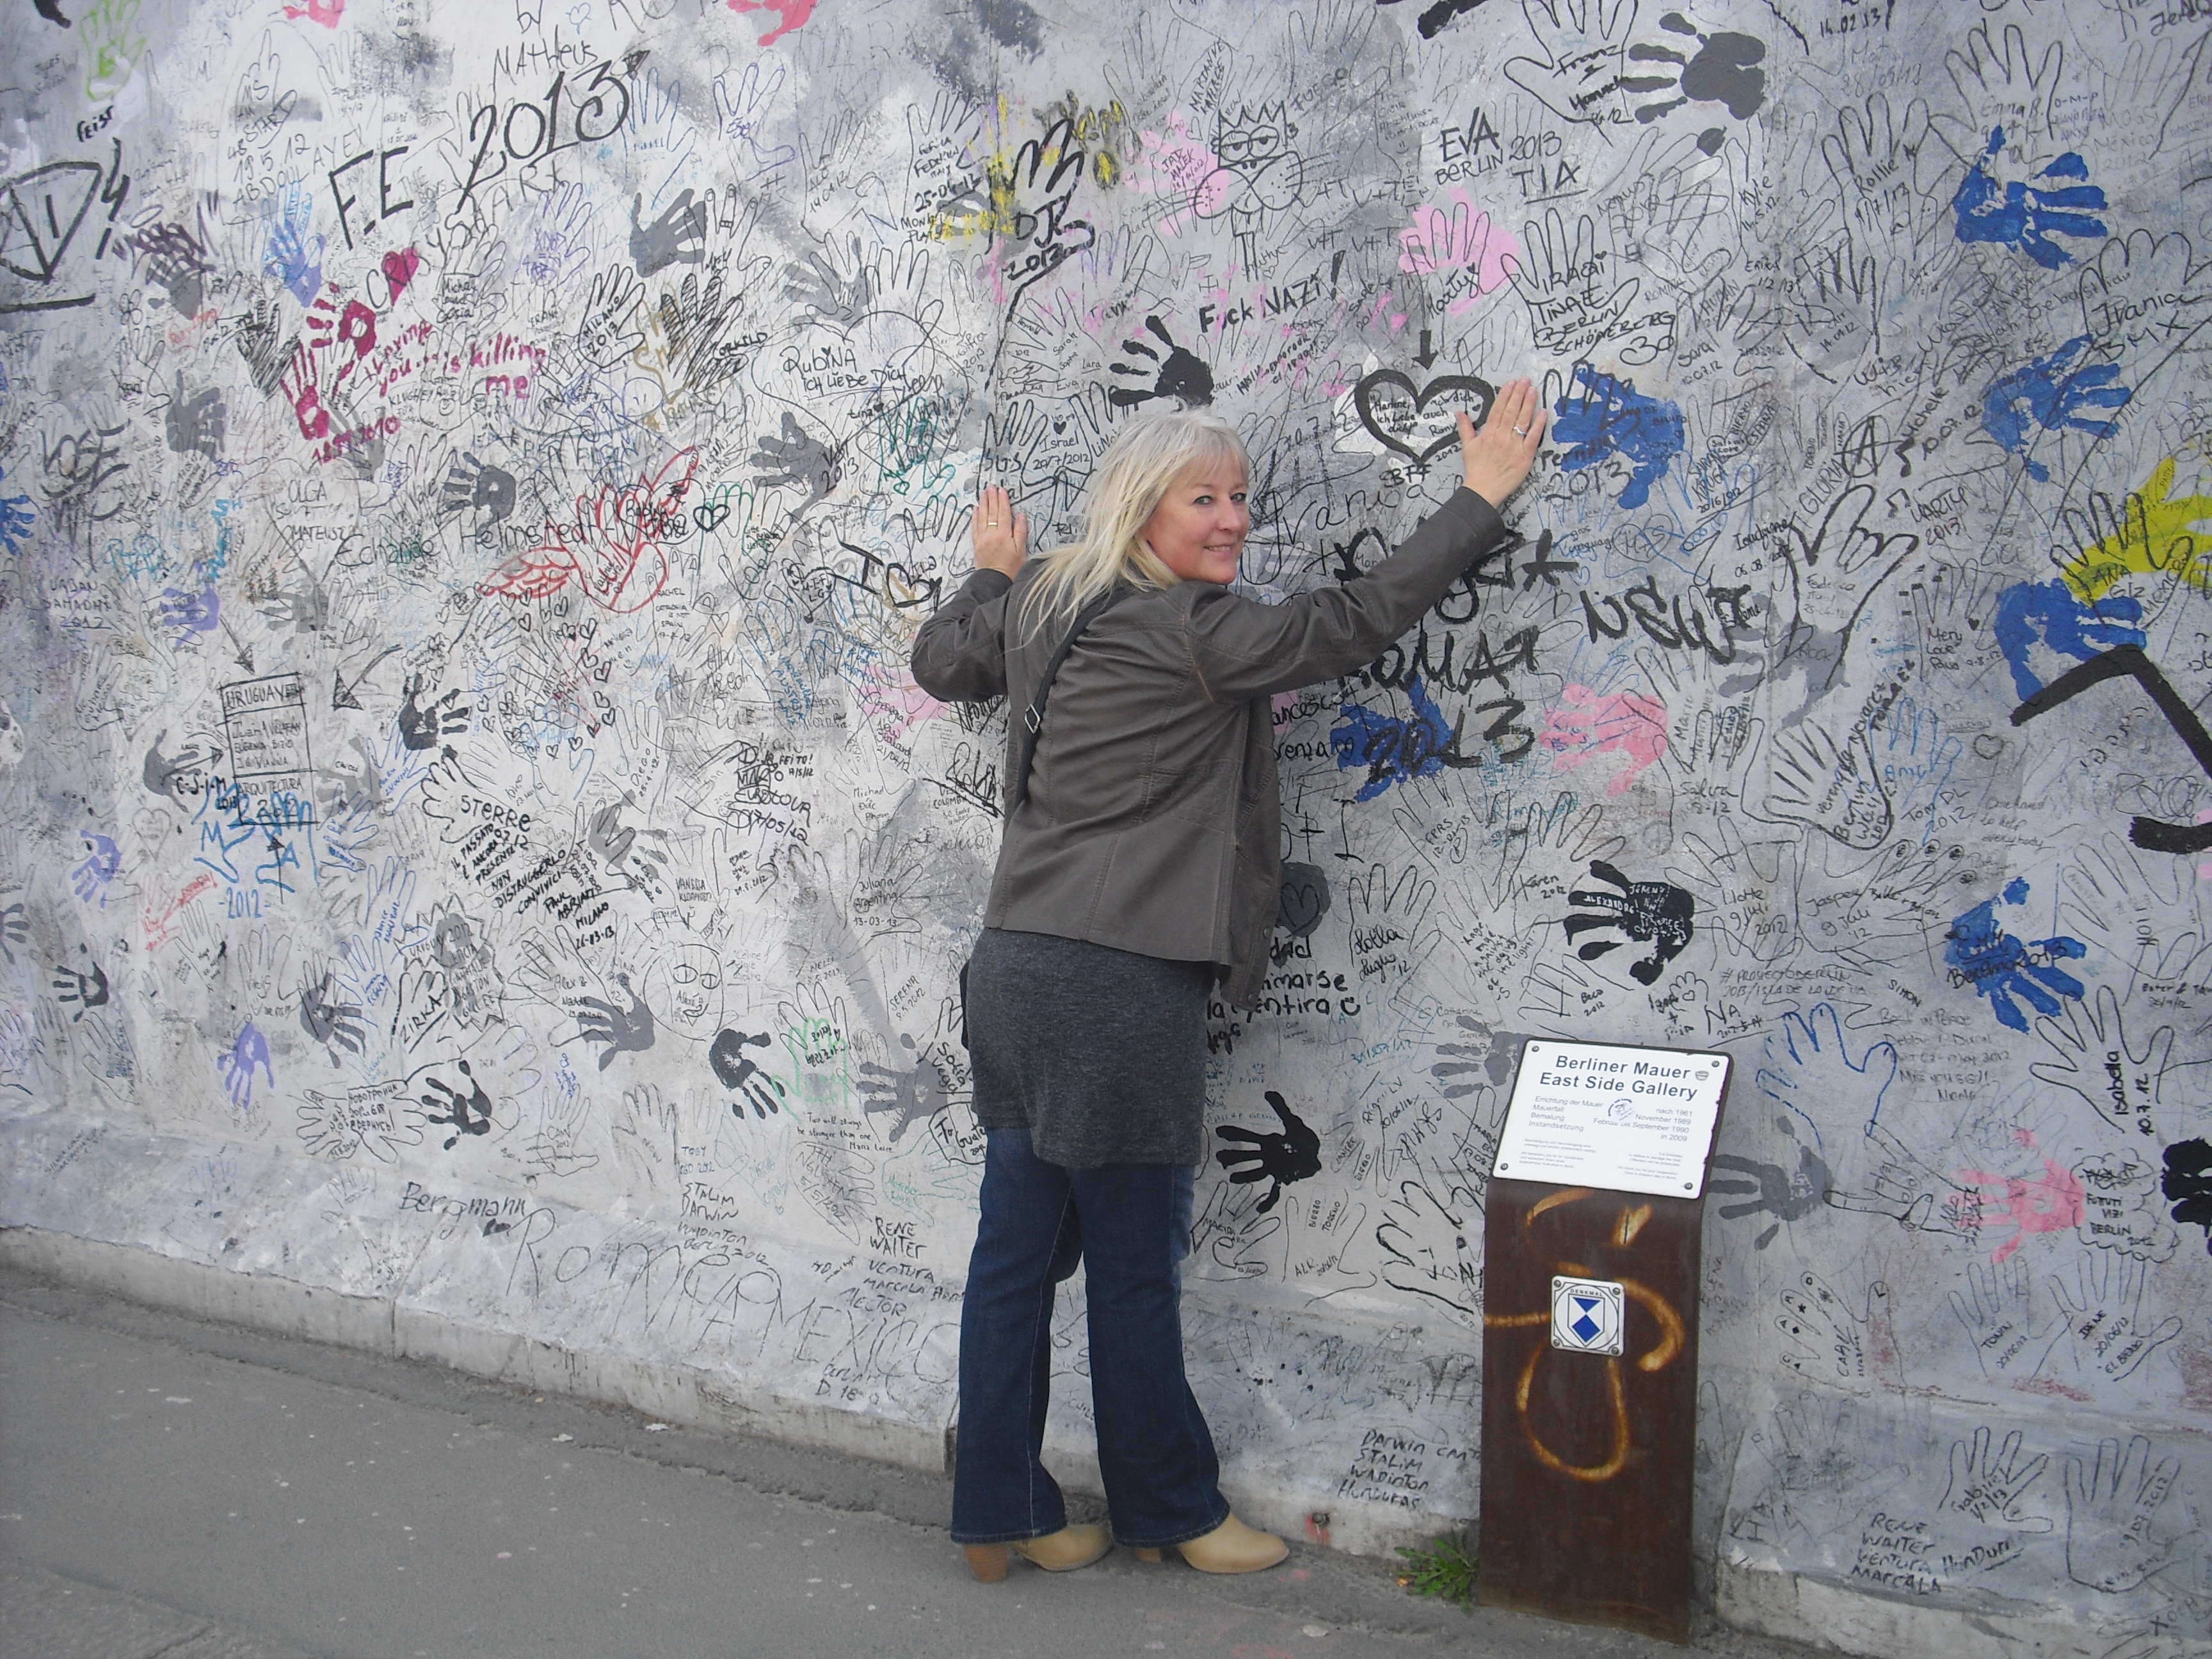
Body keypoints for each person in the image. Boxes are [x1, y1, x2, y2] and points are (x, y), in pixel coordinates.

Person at [910, 380, 1548, 1583]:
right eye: (1203, 498)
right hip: (1118, 987)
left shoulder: (1045, 601)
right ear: (1143, 508)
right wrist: (1478, 499)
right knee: (1134, 1263)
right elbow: (1348, 623)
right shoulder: (1199, 634)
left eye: (1241, 497)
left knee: (1015, 1256)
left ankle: (1003, 1512)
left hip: (1014, 970)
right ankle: (1174, 1513)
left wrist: (994, 572)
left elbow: (946, 661)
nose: (1234, 521)